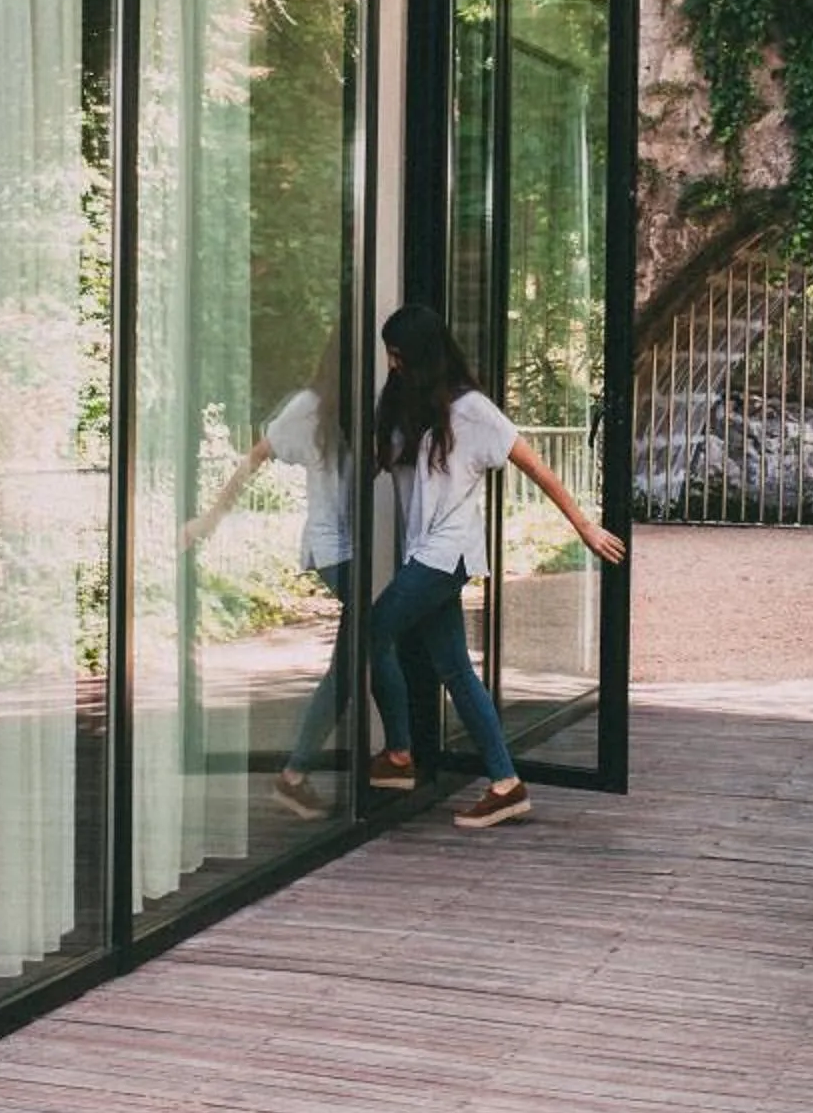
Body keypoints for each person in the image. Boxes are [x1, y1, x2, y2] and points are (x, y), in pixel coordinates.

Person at [366, 302, 626, 830]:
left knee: (373, 631)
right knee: (456, 671)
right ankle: (506, 784)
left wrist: (584, 526)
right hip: (425, 552)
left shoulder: (473, 411)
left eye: (397, 354)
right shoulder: (407, 403)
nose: (392, 363)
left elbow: (537, 468)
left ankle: (398, 754)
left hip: (446, 554)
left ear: (420, 354)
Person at [183, 332, 354, 819]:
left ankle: (298, 775)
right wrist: (211, 518)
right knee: (370, 651)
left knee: (359, 656)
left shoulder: (365, 406)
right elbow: (257, 455)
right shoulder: (309, 407)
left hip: (355, 547)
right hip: (333, 548)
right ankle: (383, 760)